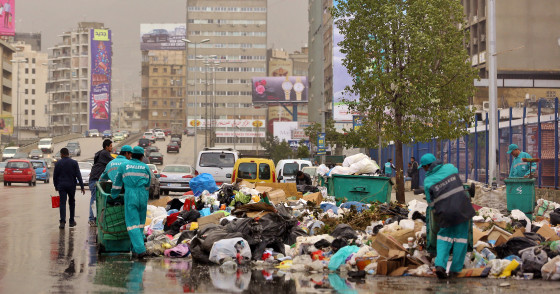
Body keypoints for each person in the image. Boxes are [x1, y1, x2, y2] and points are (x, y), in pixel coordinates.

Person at [420, 153, 475, 279]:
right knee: (461, 239)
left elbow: (431, 203)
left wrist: (436, 213)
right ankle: (455, 269)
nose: (424, 170)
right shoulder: (451, 168)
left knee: (444, 237)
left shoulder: (428, 181)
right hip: (462, 207)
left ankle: (440, 266)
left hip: (445, 212)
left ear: (428, 166)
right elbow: (456, 177)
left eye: (424, 167)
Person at [111, 146, 151, 259]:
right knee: (140, 223)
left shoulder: (124, 166)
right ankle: (135, 250)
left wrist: (114, 195)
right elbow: (148, 184)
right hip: (142, 195)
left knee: (132, 224)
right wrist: (144, 194)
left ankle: (140, 249)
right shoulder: (145, 167)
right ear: (142, 156)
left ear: (131, 155)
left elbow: (117, 183)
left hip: (131, 194)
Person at [53, 148, 85, 229]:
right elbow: (78, 175)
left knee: (62, 203)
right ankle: (71, 221)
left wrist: (56, 186)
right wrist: (82, 186)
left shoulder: (58, 163)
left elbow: (55, 176)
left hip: (61, 186)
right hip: (71, 186)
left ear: (62, 154)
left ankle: (62, 222)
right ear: (68, 153)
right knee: (71, 203)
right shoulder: (74, 162)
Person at [88, 139, 113, 226]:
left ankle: (95, 219)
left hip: (95, 179)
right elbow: (114, 161)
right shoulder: (105, 153)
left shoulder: (100, 153)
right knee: (94, 200)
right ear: (106, 147)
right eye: (110, 146)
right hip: (95, 180)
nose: (112, 147)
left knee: (97, 200)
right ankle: (92, 219)